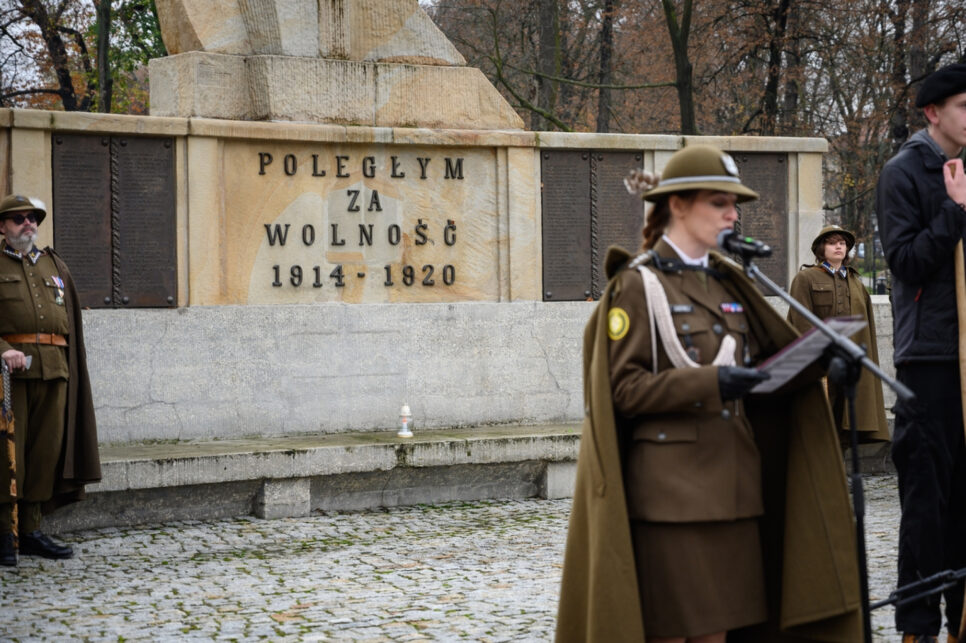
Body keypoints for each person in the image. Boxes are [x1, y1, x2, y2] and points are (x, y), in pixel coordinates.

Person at [555, 145, 862, 642]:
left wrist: (824, 363)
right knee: (674, 633)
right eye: (719, 202)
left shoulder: (727, 281)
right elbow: (623, 390)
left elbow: (769, 369)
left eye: (733, 203)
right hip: (673, 498)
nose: (732, 214)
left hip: (737, 491)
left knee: (719, 634)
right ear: (678, 206)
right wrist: (711, 383)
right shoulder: (640, 285)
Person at [876, 63, 966, 643]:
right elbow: (905, 263)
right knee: (928, 503)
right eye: (964, 106)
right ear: (933, 113)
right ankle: (917, 627)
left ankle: (962, 620)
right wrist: (954, 211)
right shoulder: (903, 171)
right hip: (930, 359)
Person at [0, 194, 99, 568]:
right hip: (10, 376)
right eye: (19, 218)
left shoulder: (53, 265)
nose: (28, 224)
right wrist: (2, 350)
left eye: (32, 218)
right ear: (3, 227)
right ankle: (3, 534)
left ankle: (30, 530)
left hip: (55, 369)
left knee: (45, 454)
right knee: (9, 455)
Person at [786, 225, 889, 444]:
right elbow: (800, 320)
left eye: (842, 243)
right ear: (821, 249)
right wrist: (817, 358)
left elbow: (865, 330)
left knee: (847, 421)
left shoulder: (857, 284)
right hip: (821, 363)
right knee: (819, 422)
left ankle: (841, 474)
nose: (838, 247)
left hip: (850, 364)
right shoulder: (806, 279)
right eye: (832, 242)